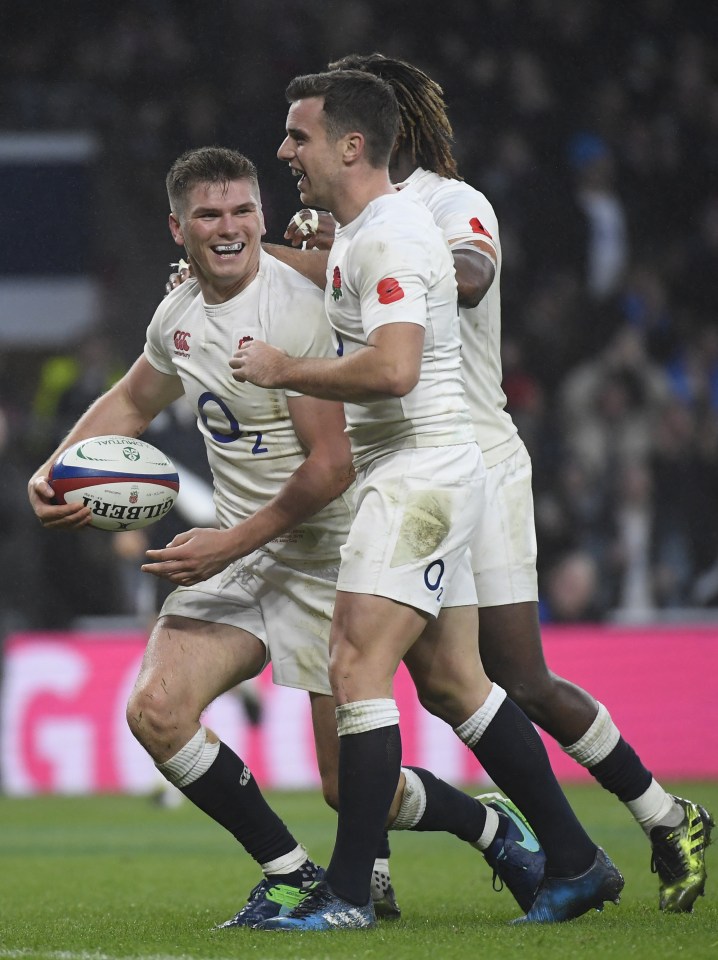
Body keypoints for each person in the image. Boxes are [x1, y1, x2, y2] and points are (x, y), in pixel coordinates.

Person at [27, 145, 550, 931]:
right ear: (179, 229)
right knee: (156, 712)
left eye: (243, 210)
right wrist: (55, 468)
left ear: (263, 217)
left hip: (322, 555)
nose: (229, 227)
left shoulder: (301, 310)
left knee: (350, 789)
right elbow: (132, 400)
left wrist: (226, 543)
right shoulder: (178, 317)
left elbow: (333, 466)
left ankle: (487, 824)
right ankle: (290, 872)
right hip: (241, 553)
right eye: (209, 214)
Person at [269, 53, 714, 915]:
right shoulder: (358, 225)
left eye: (311, 128)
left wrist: (386, 247)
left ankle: (660, 817)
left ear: (370, 128)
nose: (295, 147)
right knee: (446, 680)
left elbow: (470, 277)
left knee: (512, 672)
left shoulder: (445, 204)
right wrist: (272, 258)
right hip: (410, 457)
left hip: (468, 451)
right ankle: (575, 854)